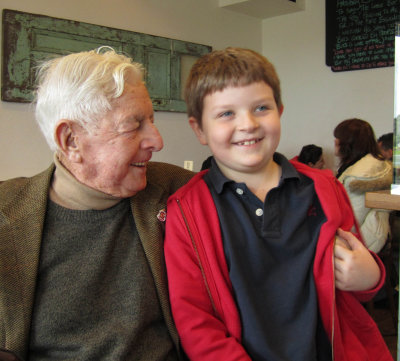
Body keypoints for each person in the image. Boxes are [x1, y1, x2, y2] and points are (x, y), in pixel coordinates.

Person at [164, 48, 392, 361]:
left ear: (280, 111)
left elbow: (360, 273)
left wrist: (372, 277)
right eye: (226, 113)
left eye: (260, 108)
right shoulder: (187, 210)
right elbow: (195, 321)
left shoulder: (324, 188)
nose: (248, 124)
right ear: (199, 129)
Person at [0, 48, 193, 361]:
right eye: (134, 126)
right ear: (71, 140)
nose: (157, 141)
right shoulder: (7, 214)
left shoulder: (177, 190)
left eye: (151, 121)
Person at [334, 119, 392, 253]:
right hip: (376, 231)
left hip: (361, 241)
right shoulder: (372, 164)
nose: (335, 141)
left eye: (338, 138)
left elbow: (352, 221)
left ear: (348, 143)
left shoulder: (357, 177)